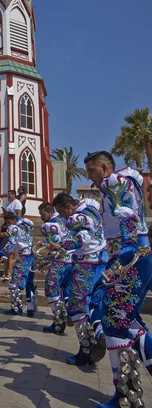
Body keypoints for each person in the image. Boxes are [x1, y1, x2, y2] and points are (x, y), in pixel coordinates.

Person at [84, 151, 152, 408]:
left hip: (129, 259)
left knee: (114, 322)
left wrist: (123, 255)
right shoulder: (125, 182)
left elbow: (127, 217)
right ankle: (125, 391)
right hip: (137, 257)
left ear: (103, 168)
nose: (89, 176)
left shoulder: (114, 182)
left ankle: (124, 394)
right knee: (129, 320)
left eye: (91, 171)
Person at [49, 193, 107, 367]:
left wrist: (61, 245)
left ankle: (85, 351)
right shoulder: (92, 209)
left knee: (77, 307)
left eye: (62, 212)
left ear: (67, 206)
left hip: (86, 265)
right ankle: (99, 332)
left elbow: (81, 240)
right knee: (96, 303)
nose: (63, 216)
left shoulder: (76, 217)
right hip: (103, 261)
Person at [38, 202, 72, 335]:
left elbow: (53, 247)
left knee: (51, 288)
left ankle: (59, 322)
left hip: (60, 261)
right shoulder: (63, 220)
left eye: (43, 214)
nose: (41, 217)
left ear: (50, 212)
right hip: (71, 260)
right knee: (65, 289)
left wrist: (44, 261)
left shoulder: (49, 226)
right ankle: (69, 311)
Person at [0, 211, 36, 317]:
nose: (8, 224)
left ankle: (16, 308)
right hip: (32, 255)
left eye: (8, 221)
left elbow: (11, 242)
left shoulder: (13, 228)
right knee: (29, 282)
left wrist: (2, 251)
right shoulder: (25, 225)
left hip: (24, 256)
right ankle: (31, 307)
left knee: (13, 283)